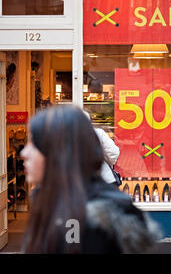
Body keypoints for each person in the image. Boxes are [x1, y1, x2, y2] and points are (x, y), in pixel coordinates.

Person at [20, 105, 160, 253]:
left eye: (35, 144)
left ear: (59, 152)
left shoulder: (93, 219)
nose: (24, 152)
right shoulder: (48, 199)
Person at [83, 110, 121, 186]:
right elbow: (113, 153)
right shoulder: (98, 133)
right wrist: (107, 162)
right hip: (104, 179)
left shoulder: (67, 136)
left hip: (78, 184)